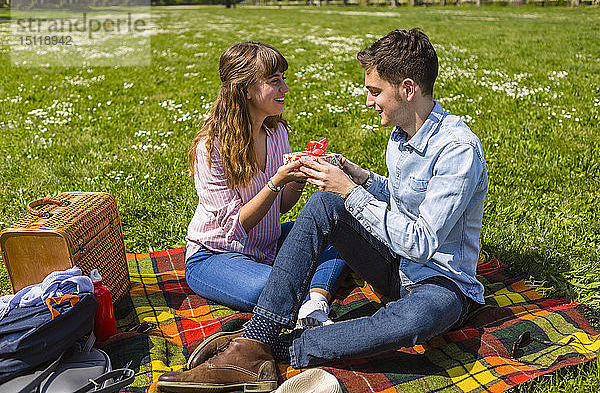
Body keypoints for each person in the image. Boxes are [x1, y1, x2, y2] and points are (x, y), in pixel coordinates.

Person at [158, 29, 488, 393]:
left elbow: (422, 242)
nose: (368, 101)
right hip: (394, 265)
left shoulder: (458, 150)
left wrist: (350, 191)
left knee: (416, 318)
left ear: (407, 89)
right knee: (325, 203)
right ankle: (259, 334)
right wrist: (358, 177)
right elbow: (401, 196)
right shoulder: (402, 134)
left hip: (440, 282)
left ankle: (274, 348)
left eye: (374, 91)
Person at [184, 41, 347, 329]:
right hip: (216, 256)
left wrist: (298, 177)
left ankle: (315, 303)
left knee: (342, 233)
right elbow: (237, 226)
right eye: (274, 81)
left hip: (268, 246)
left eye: (284, 79)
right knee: (271, 287)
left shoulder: (276, 132)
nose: (285, 88)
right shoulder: (210, 149)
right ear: (245, 90)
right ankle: (302, 293)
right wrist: (276, 181)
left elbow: (281, 206)